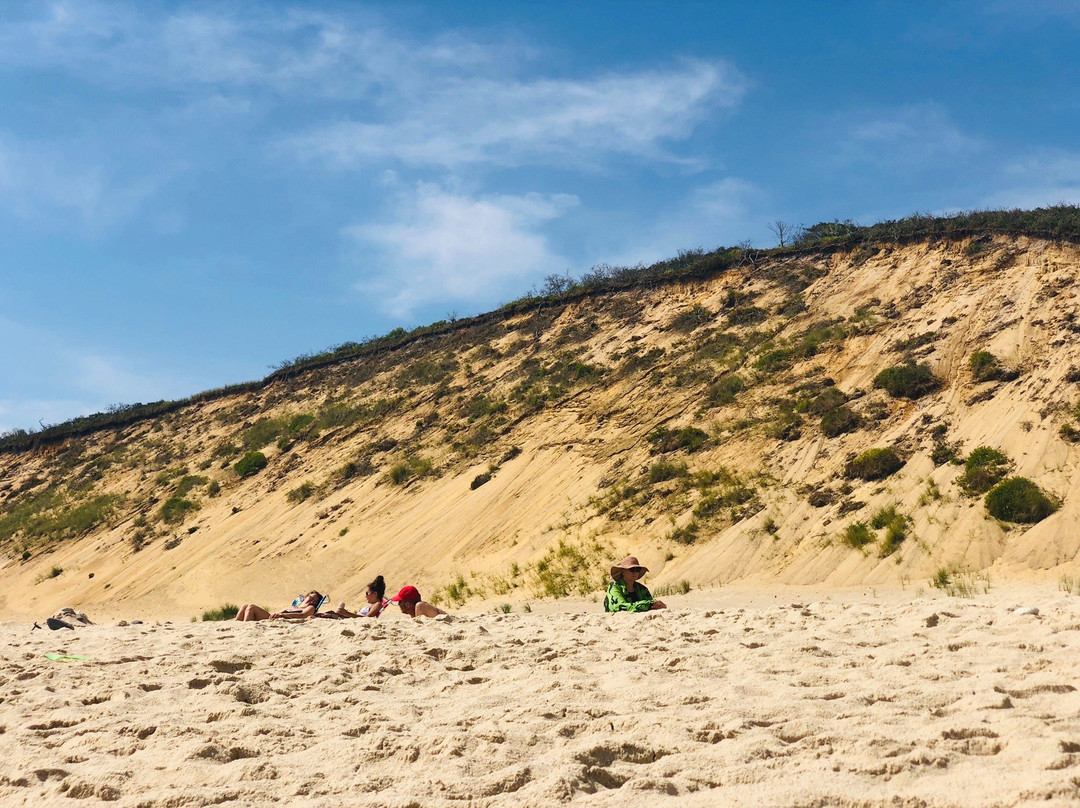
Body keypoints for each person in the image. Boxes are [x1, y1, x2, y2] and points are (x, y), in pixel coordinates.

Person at [235, 591, 324, 621]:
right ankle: (237, 627)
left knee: (251, 607)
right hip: (273, 617)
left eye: (315, 602)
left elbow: (303, 615)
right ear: (305, 597)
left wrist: (282, 615)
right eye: (310, 598)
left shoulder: (310, 608)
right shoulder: (293, 606)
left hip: (280, 620)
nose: (311, 601)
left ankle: (246, 628)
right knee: (245, 606)